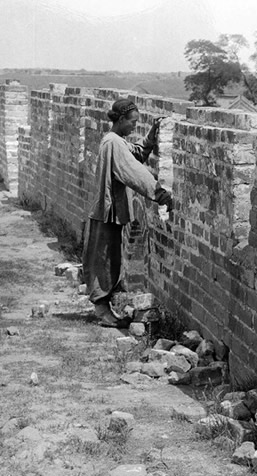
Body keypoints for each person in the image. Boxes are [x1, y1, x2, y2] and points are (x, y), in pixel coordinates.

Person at [85, 98, 173, 327]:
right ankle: (102, 310)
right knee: (103, 259)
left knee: (110, 258)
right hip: (106, 210)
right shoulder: (113, 143)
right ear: (121, 119)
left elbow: (137, 154)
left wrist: (153, 134)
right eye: (133, 122)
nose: (135, 126)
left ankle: (106, 306)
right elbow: (133, 170)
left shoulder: (117, 141)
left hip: (110, 210)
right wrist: (159, 193)